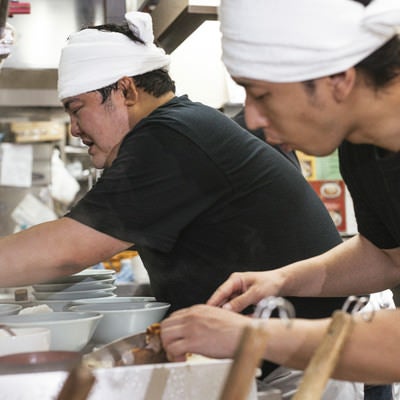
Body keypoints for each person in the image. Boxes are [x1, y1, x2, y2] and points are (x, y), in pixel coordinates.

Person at [0, 10, 358, 398]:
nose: (74, 128)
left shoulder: (169, 138)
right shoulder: (177, 129)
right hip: (273, 355)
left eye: (76, 108)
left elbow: (67, 250)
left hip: (299, 364)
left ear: (126, 91)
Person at [160, 0, 400, 398]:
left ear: (338, 77)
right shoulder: (361, 144)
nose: (252, 118)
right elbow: (388, 255)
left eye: (262, 95)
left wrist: (257, 336)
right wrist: (284, 279)